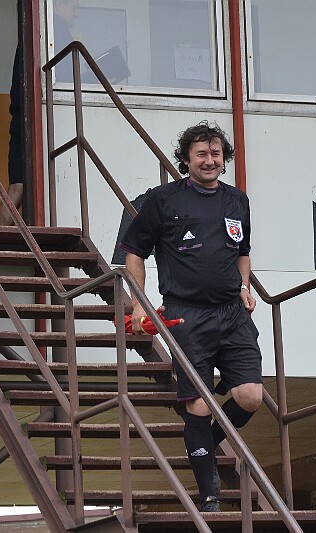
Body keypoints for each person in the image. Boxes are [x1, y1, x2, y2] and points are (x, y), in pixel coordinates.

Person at [120, 122, 263, 512]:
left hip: (232, 314)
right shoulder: (163, 199)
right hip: (186, 314)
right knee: (198, 405)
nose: (209, 160)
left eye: (216, 154)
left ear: (224, 159)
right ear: (186, 159)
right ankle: (209, 495)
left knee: (250, 396)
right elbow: (135, 251)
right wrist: (139, 304)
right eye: (201, 154)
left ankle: (204, 444)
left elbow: (243, 252)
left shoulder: (237, 201)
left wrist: (245, 286)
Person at [0, 0, 80, 225]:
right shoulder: (53, 31)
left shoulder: (31, 34)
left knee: (18, 186)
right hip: (32, 118)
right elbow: (65, 76)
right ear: (58, 5)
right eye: (75, 7)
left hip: (21, 114)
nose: (77, 14)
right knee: (22, 187)